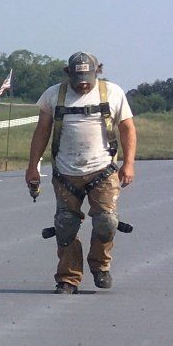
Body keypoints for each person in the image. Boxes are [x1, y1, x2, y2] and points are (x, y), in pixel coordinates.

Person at [26, 51, 136, 293]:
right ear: (68, 74)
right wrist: (33, 166)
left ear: (98, 71)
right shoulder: (54, 95)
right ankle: (68, 278)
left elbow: (127, 129)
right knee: (65, 225)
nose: (83, 84)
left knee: (106, 222)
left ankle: (100, 266)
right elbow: (42, 131)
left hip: (103, 171)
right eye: (78, 79)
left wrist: (129, 164)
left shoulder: (113, 93)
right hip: (65, 173)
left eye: (88, 77)